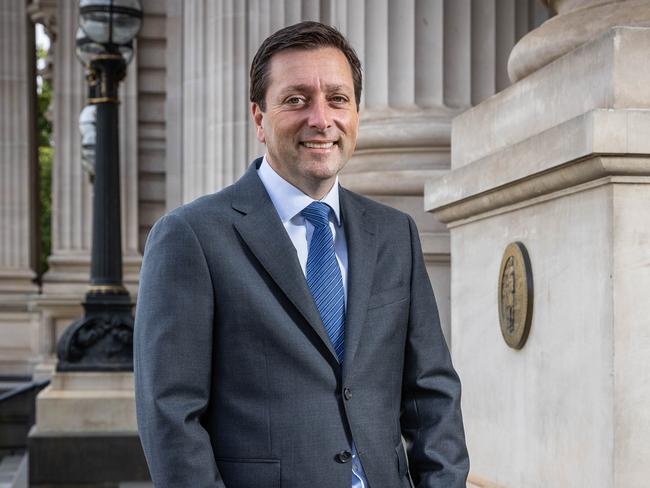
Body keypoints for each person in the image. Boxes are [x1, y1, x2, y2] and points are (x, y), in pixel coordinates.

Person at [134, 21, 469, 488]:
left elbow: (432, 395)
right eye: (296, 100)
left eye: (337, 98)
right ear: (258, 119)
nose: (321, 118)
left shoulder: (395, 234)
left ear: (355, 113)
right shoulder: (191, 237)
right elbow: (170, 416)